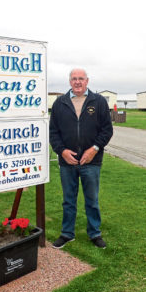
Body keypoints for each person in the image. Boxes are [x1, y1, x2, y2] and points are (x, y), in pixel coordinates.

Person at [49, 68, 113, 249]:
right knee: (68, 200)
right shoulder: (60, 103)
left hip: (91, 161)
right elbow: (53, 132)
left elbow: (107, 130)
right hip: (67, 161)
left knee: (91, 199)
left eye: (81, 79)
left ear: (87, 81)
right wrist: (62, 151)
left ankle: (95, 233)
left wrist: (94, 149)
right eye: (74, 79)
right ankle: (67, 233)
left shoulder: (98, 101)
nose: (77, 82)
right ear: (69, 81)